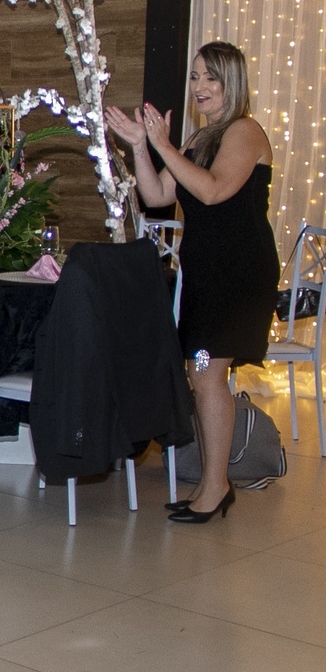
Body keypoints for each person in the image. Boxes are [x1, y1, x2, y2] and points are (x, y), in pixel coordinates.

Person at [105, 41, 278, 523]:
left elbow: (213, 190)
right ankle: (211, 483)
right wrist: (140, 146)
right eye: (196, 76)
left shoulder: (244, 131)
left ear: (231, 83)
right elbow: (158, 192)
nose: (199, 86)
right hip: (207, 277)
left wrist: (162, 144)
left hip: (237, 280)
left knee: (205, 372)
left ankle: (216, 485)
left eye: (210, 78)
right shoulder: (201, 138)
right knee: (201, 371)